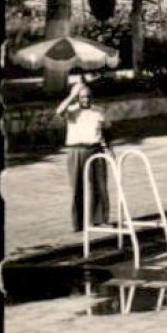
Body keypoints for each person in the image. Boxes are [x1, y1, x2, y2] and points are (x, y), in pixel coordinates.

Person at [55, 77, 110, 232]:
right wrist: (72, 94)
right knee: (77, 186)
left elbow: (106, 132)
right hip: (76, 151)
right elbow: (58, 111)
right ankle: (78, 223)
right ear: (78, 98)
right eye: (82, 97)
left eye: (88, 96)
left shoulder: (98, 111)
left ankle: (99, 219)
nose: (85, 99)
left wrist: (110, 151)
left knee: (100, 185)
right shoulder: (71, 111)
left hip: (96, 149)